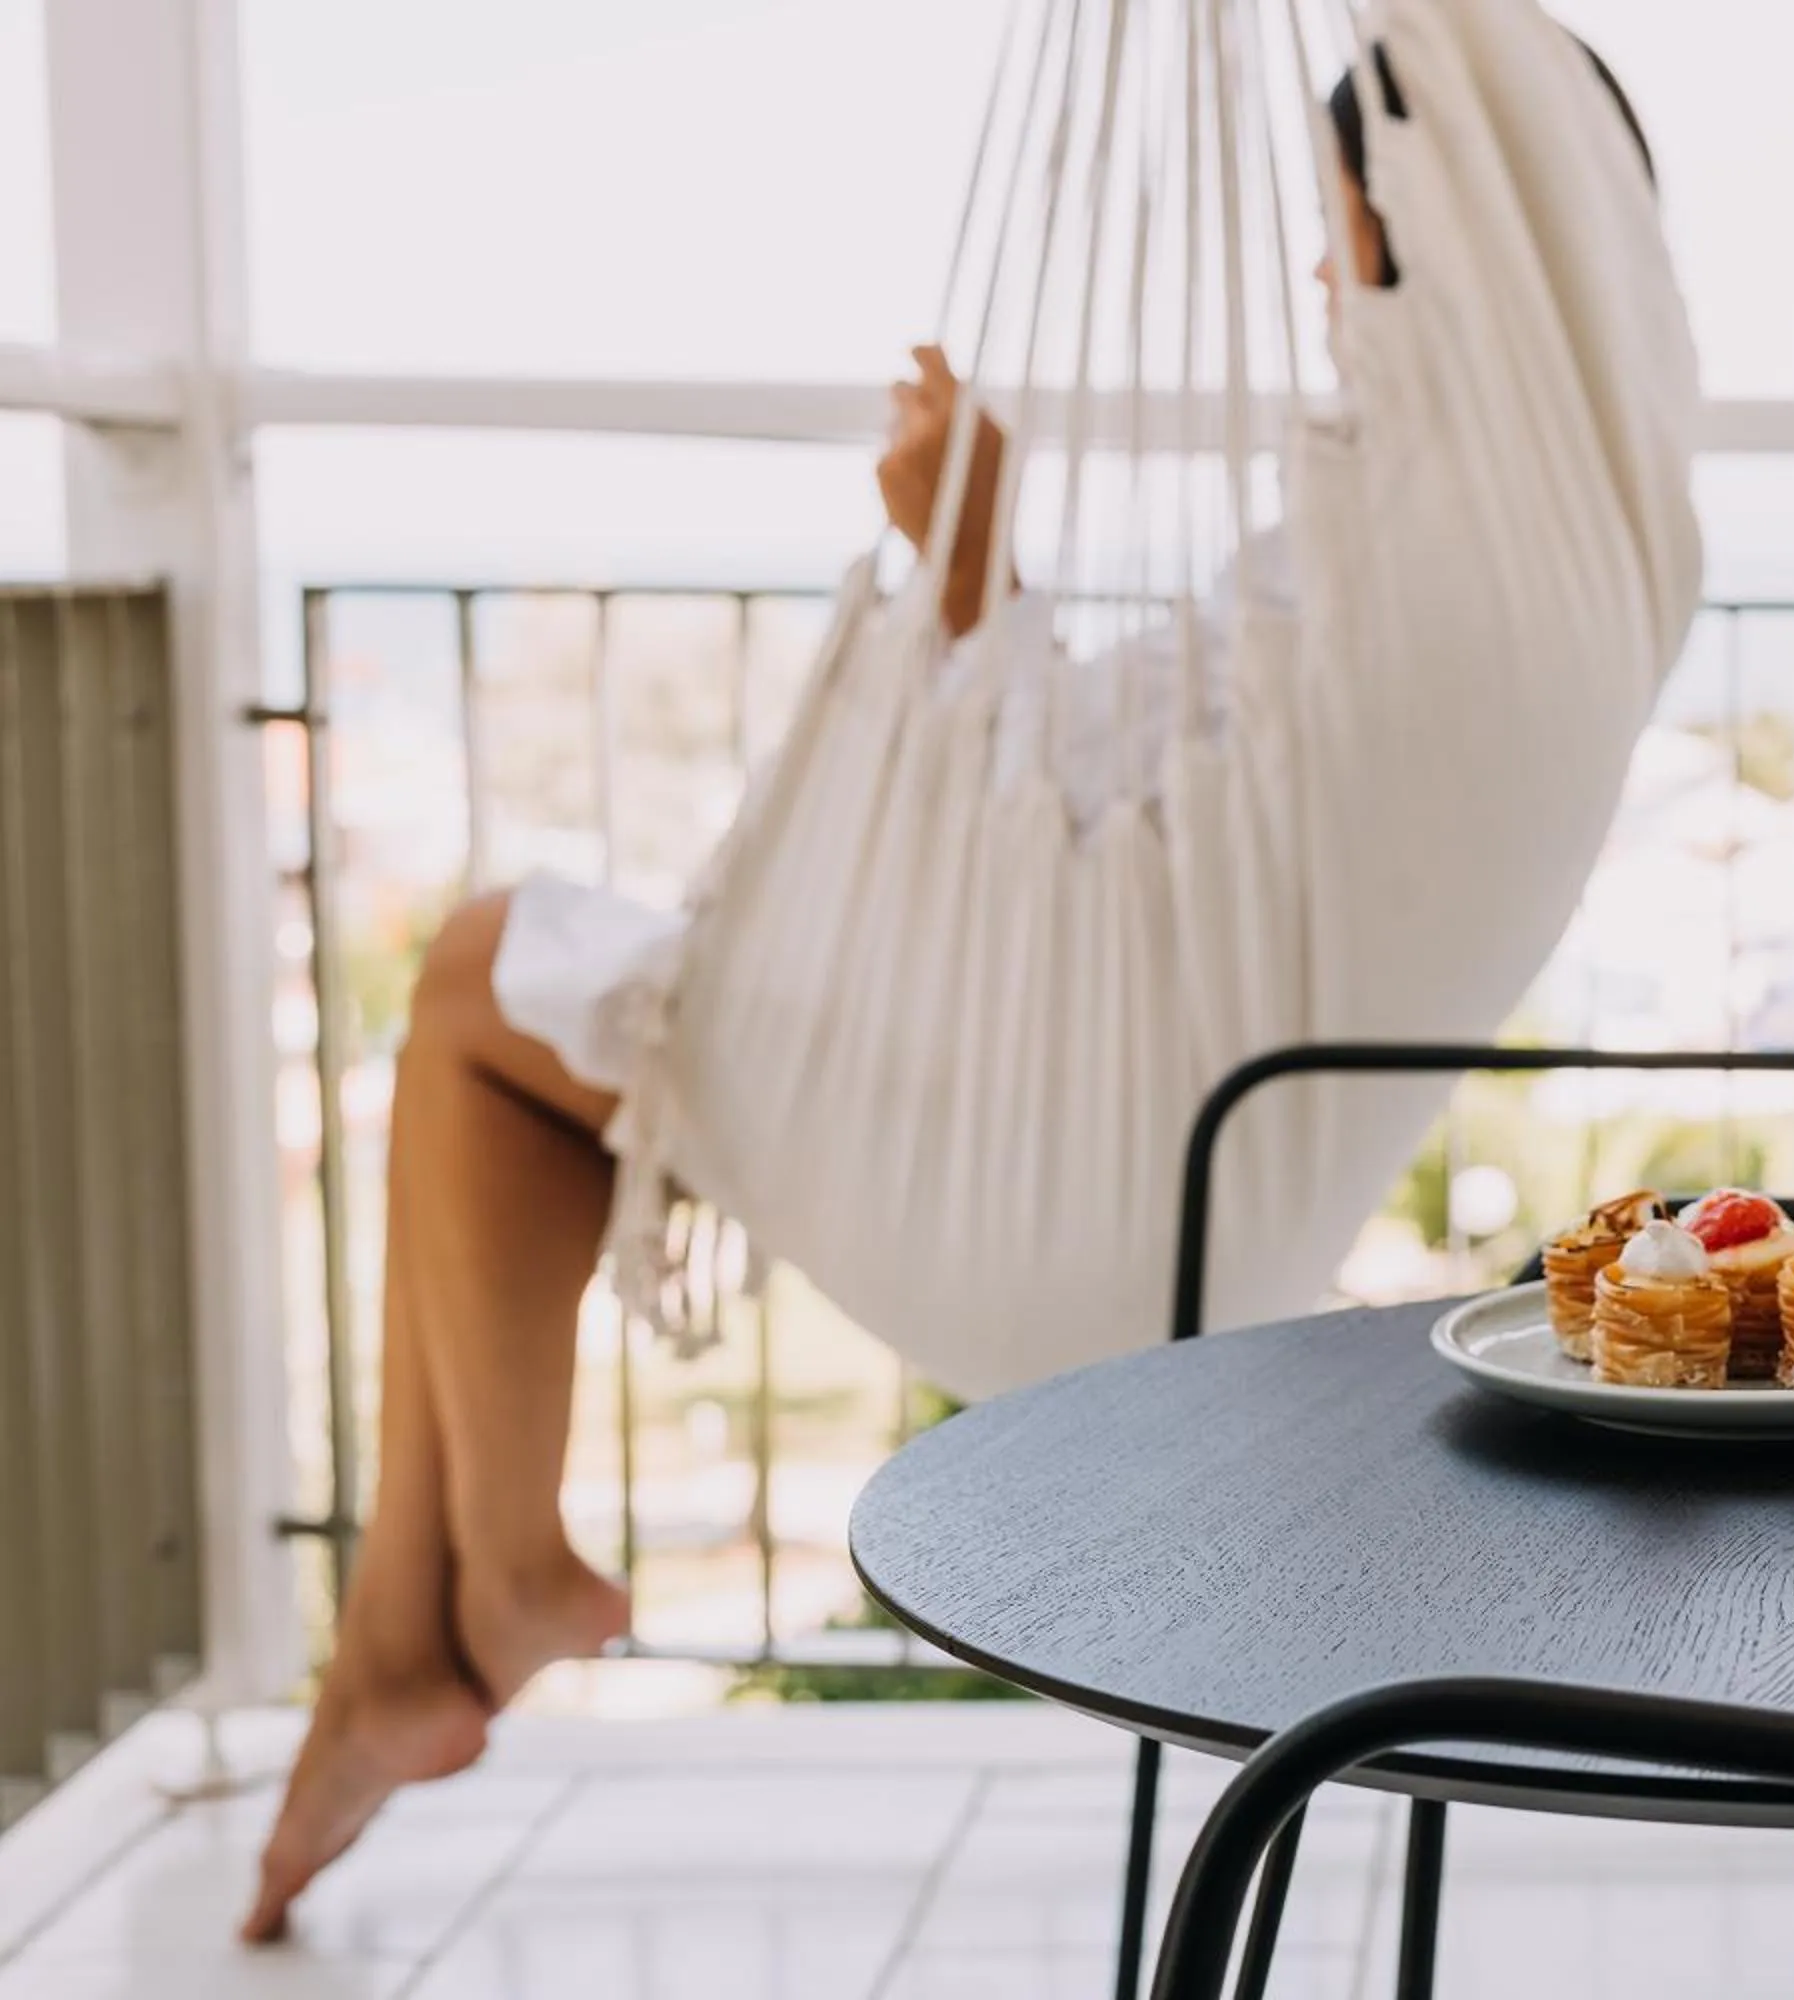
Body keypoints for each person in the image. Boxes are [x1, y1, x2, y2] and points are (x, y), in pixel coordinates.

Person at [241, 41, 1656, 1943]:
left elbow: (1124, 819)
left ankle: (455, 1607)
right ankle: (414, 1642)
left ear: (1453, 237)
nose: (1326, 293)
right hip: (1182, 1164)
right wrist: (981, 565)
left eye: (1346, 247)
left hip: (1108, 1205)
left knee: (493, 979)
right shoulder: (1557, 565)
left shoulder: (1449, 574)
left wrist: (971, 559)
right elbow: (1168, 816)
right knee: (510, 1000)